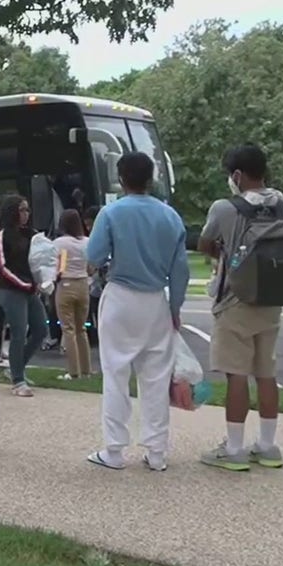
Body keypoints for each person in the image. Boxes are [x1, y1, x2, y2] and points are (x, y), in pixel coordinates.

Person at [85, 152, 189, 472]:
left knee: (116, 373)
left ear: (121, 178)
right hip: (156, 299)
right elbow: (180, 270)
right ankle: (156, 452)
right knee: (155, 377)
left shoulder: (111, 212)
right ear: (151, 177)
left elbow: (94, 255)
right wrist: (174, 309)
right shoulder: (170, 216)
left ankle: (114, 450)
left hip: (120, 297)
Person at [197, 145, 283, 471]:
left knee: (236, 375)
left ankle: (235, 449)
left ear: (237, 175)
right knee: (266, 373)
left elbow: (204, 243)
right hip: (272, 300)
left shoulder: (225, 208)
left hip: (235, 301)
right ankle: (267, 446)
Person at [0, 195, 47, 398]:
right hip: (11, 289)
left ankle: (17, 367)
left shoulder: (31, 234)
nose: (26, 214)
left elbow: (40, 259)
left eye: (27, 210)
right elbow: (2, 266)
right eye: (22, 210)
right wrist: (25, 284)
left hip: (30, 289)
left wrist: (44, 278)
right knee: (19, 331)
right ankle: (17, 379)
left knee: (41, 329)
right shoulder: (2, 235)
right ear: (12, 211)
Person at [53, 209, 92, 379]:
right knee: (81, 329)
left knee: (68, 329)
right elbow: (91, 268)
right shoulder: (88, 242)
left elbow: (55, 266)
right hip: (83, 284)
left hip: (66, 284)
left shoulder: (59, 243)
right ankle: (86, 370)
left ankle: (73, 371)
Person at [83, 205, 104, 346]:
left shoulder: (97, 239)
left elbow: (91, 266)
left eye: (90, 224)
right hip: (97, 286)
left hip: (100, 285)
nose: (89, 228)